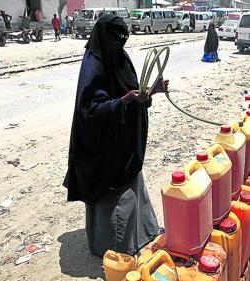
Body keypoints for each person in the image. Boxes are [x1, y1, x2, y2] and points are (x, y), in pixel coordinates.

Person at [63, 14, 161, 258]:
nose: (120, 41)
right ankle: (114, 248)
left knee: (133, 187)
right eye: (116, 36)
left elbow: (134, 94)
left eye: (124, 37)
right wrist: (124, 100)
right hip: (102, 147)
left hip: (124, 142)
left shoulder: (121, 57)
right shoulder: (93, 63)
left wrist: (150, 92)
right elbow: (89, 110)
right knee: (114, 198)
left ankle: (143, 233)